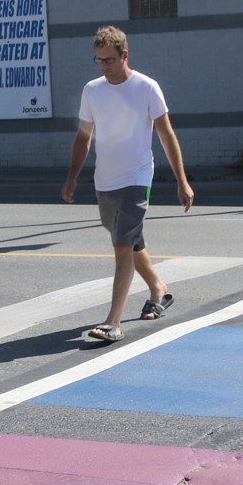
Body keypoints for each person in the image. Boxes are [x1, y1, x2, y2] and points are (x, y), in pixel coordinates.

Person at [62, 25, 194, 343]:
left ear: (125, 55)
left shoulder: (147, 88)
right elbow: (84, 136)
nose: (104, 66)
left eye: (109, 59)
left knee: (122, 247)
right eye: (98, 60)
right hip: (104, 181)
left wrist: (182, 180)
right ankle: (159, 289)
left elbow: (166, 134)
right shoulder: (93, 90)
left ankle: (113, 323)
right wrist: (72, 176)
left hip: (137, 177)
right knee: (131, 242)